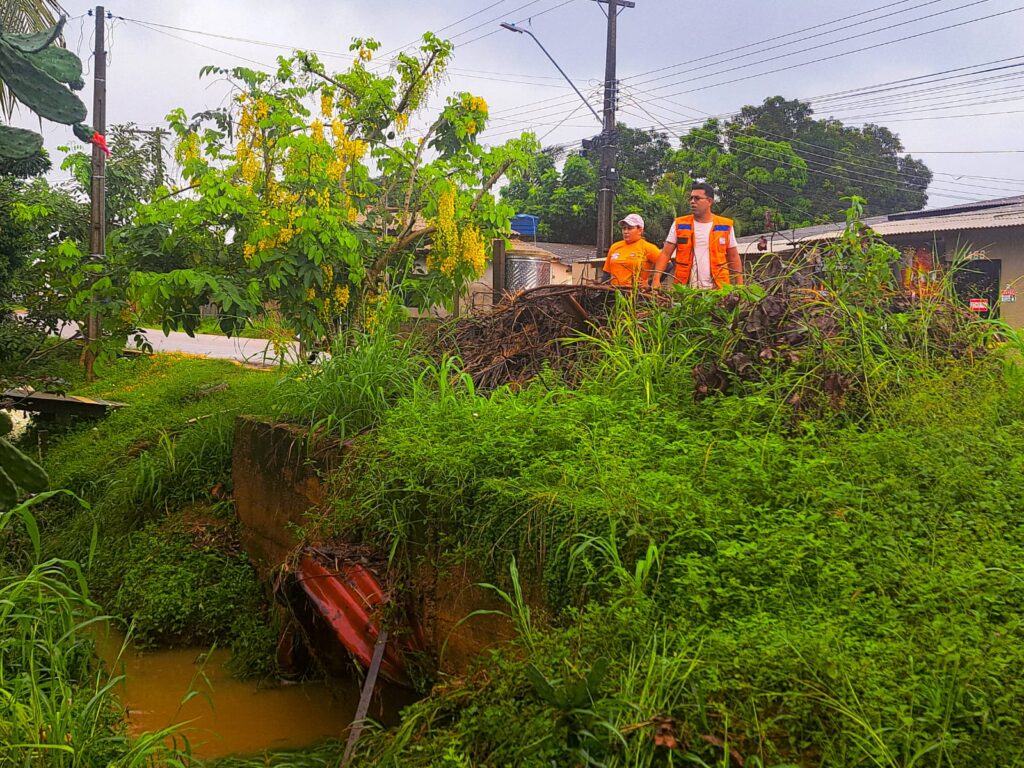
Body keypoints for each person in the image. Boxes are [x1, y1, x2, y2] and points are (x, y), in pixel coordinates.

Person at [652, 183, 743, 290]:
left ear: (709, 201)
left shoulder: (725, 226)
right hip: (685, 289)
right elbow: (666, 254)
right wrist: (656, 279)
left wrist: (740, 286)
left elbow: (733, 256)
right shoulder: (679, 224)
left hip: (718, 289)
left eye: (697, 198)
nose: (692, 201)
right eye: (691, 198)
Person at [602, 213, 662, 289]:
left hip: (636, 292)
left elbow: (667, 265)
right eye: (624, 228)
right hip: (614, 291)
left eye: (630, 228)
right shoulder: (615, 247)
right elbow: (606, 273)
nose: (625, 231)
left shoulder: (648, 247)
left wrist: (650, 282)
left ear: (640, 230)